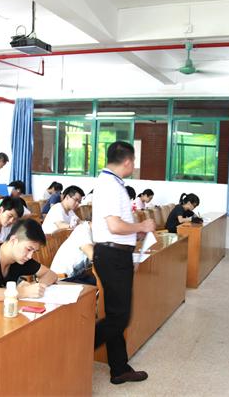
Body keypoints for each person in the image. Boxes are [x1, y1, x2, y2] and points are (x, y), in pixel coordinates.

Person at [92, 141, 155, 385]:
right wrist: (142, 226)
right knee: (120, 317)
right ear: (127, 161)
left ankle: (119, 369)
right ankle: (76, 345)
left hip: (116, 254)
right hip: (112, 256)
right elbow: (114, 226)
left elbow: (118, 226)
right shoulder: (109, 185)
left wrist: (134, 234)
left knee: (116, 314)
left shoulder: (113, 182)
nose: (134, 165)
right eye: (134, 161)